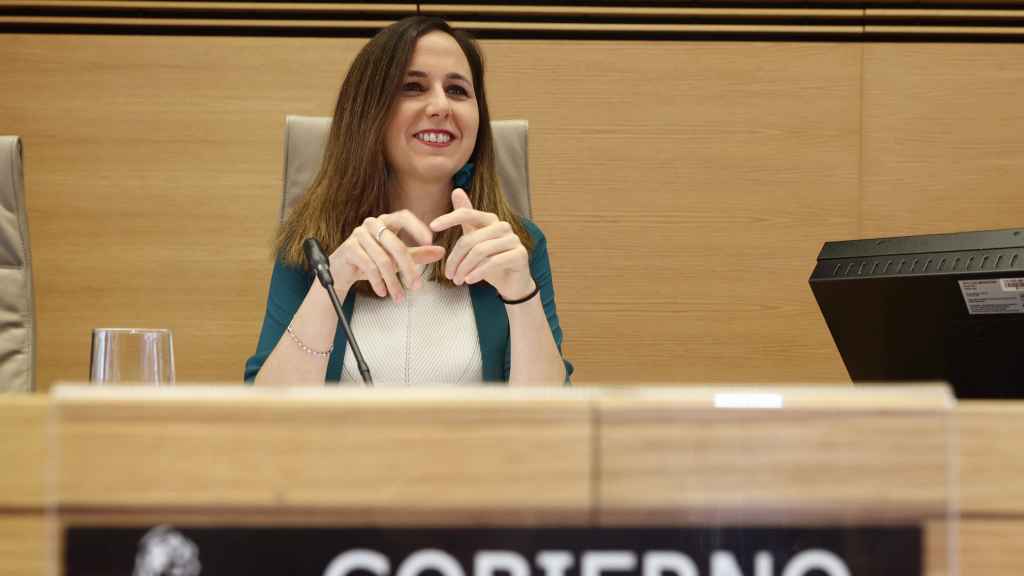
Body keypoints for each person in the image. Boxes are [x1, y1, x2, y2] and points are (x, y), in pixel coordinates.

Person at [245, 16, 572, 386]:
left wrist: (521, 295)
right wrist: (331, 284)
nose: (441, 106)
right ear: (369, 113)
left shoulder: (518, 246)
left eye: (458, 90)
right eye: (413, 87)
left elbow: (550, 414)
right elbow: (266, 411)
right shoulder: (312, 246)